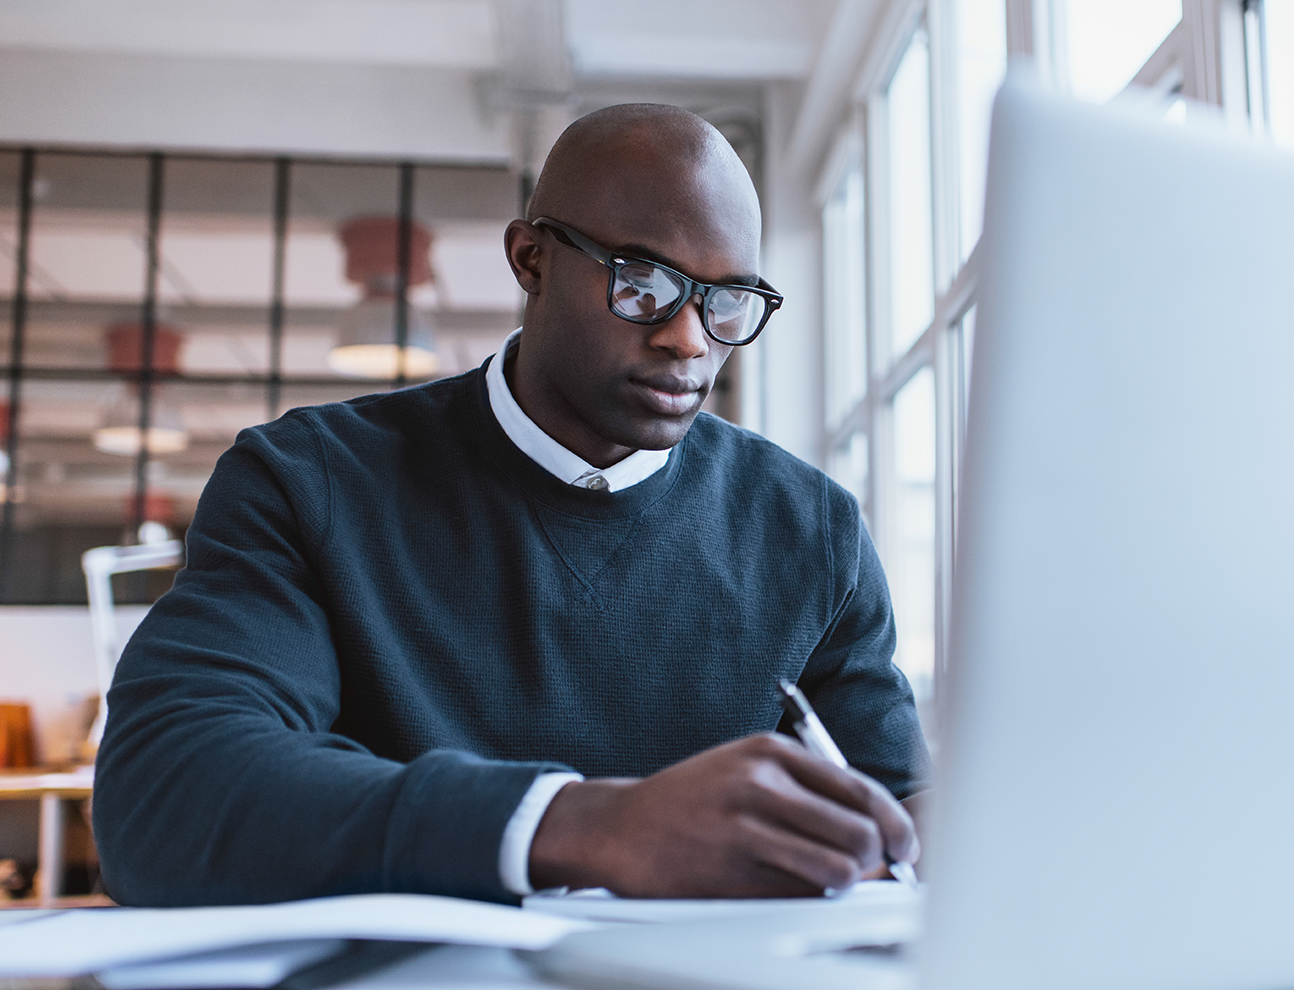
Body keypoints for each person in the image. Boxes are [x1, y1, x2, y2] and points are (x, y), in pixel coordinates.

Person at [93, 104, 928, 906]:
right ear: (531, 259)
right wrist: (586, 825)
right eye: (642, 285)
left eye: (728, 301)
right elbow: (165, 791)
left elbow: (902, 828)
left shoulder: (811, 531)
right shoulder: (311, 482)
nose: (689, 340)